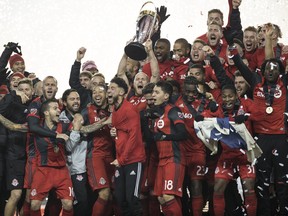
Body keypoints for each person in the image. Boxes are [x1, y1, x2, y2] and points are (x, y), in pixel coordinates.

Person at [228, 38, 288, 215]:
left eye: (275, 68)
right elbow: (240, 65)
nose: (270, 71)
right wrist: (233, 48)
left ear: (280, 72)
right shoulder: (255, 82)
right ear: (262, 71)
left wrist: (282, 52)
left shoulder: (284, 84)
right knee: (261, 181)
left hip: (280, 138)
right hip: (261, 138)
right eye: (267, 68)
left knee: (282, 180)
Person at [29, 99, 73, 216]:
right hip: (43, 170)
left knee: (68, 204)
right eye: (55, 108)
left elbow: (77, 122)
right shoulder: (36, 127)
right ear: (46, 112)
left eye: (58, 108)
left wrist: (78, 119)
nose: (59, 110)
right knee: (34, 205)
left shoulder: (64, 125)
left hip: (61, 170)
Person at [109, 77, 146, 215]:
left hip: (132, 160)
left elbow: (134, 136)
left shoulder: (129, 109)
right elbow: (123, 133)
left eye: (112, 88)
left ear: (122, 91)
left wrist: (121, 159)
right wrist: (115, 133)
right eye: (108, 89)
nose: (108, 92)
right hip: (121, 160)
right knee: (120, 199)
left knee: (132, 199)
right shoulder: (114, 110)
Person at [0, 78, 36, 216]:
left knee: (28, 198)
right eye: (21, 90)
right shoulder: (11, 107)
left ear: (32, 91)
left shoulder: (36, 106)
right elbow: (1, 110)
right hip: (15, 158)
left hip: (32, 158)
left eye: (27, 89)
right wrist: (13, 95)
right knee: (15, 194)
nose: (24, 92)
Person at [151, 80, 187, 215]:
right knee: (161, 198)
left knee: (168, 196)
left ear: (166, 96)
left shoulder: (173, 110)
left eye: (156, 92)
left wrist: (165, 137)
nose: (153, 95)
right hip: (161, 160)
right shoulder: (155, 114)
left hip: (174, 158)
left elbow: (183, 134)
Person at [81, 84, 114, 216]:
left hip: (111, 156)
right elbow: (80, 129)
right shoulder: (87, 110)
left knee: (112, 196)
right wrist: (103, 122)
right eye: (94, 92)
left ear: (106, 94)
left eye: (100, 92)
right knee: (104, 193)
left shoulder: (113, 110)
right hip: (95, 155)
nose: (97, 94)